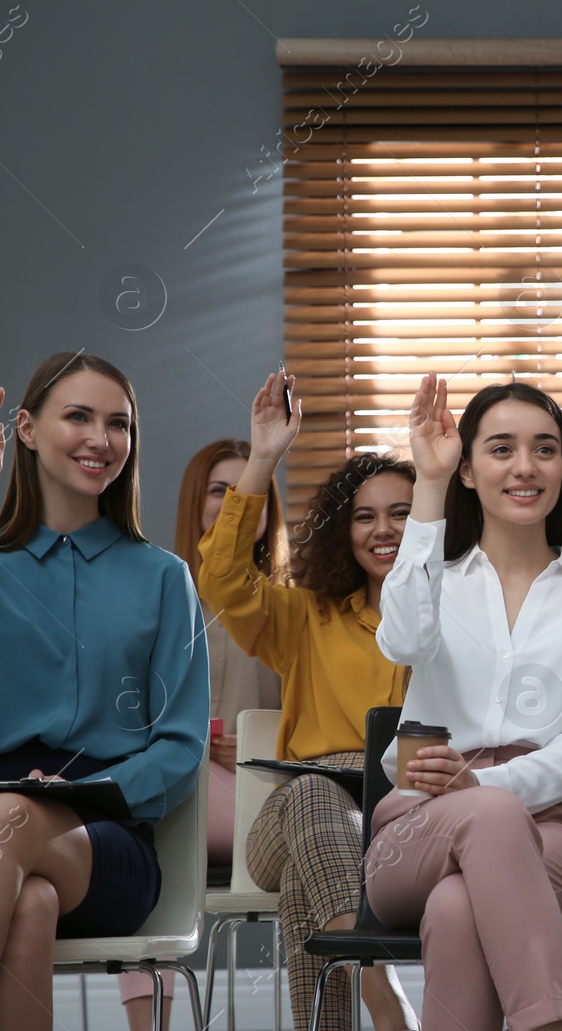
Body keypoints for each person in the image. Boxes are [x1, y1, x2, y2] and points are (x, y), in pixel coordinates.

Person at [0, 354, 208, 1031]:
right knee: (27, 903)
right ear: (24, 429)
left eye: (119, 423)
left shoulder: (165, 578)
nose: (101, 438)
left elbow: (179, 745)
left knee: (10, 817)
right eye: (79, 416)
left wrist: (74, 793)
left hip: (103, 836)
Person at [366, 376, 562, 1031]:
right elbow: (400, 638)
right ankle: (552, 1021)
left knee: (459, 907)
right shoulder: (434, 582)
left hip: (558, 834)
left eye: (545, 449)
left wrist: (483, 781)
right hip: (418, 828)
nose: (525, 465)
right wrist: (426, 485)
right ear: (467, 469)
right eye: (501, 448)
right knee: (482, 825)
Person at [197, 372, 415, 1031]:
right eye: (365, 515)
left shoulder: (451, 624)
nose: (383, 530)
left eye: (401, 512)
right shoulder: (306, 617)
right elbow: (224, 580)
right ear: (341, 531)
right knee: (317, 796)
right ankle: (391, 1005)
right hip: (288, 810)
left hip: (396, 825)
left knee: (307, 875)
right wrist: (263, 458)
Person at [119, 439, 289, 1031]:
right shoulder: (158, 594)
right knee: (149, 814)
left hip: (266, 797)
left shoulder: (290, 604)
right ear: (197, 499)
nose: (237, 500)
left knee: (151, 820)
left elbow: (323, 723)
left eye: (251, 489)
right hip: (184, 787)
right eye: (221, 489)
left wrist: (266, 745)